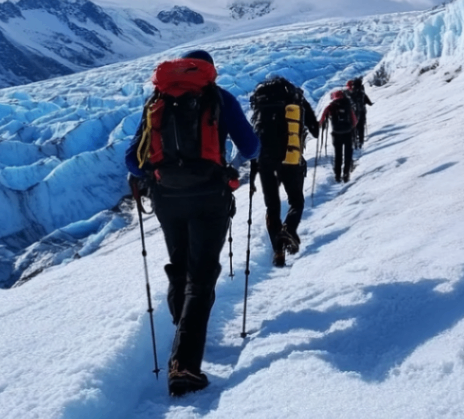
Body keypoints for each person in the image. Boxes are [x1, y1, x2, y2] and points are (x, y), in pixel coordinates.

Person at [125, 49, 259, 398]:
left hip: (167, 198)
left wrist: (160, 175)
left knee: (181, 266)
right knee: (201, 276)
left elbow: (133, 160)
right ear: (209, 70)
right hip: (209, 196)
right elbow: (251, 145)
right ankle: (184, 365)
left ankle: (184, 328)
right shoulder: (219, 97)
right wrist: (232, 165)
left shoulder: (158, 100)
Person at [250, 75, 319, 268]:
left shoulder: (260, 103)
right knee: (296, 201)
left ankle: (278, 251)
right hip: (291, 156)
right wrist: (314, 133)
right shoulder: (295, 99)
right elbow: (313, 126)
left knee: (272, 207)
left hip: (265, 160)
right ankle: (288, 228)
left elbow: (253, 131)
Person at [320, 87, 358, 183]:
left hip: (336, 134)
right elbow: (354, 121)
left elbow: (321, 120)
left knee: (338, 155)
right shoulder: (348, 105)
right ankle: (346, 174)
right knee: (348, 154)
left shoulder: (331, 106)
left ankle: (337, 175)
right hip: (348, 133)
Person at [345, 77, 373, 150]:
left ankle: (354, 141)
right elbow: (366, 99)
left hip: (354, 113)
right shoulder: (361, 92)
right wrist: (370, 103)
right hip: (362, 111)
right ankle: (361, 141)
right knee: (361, 126)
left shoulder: (350, 93)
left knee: (354, 127)